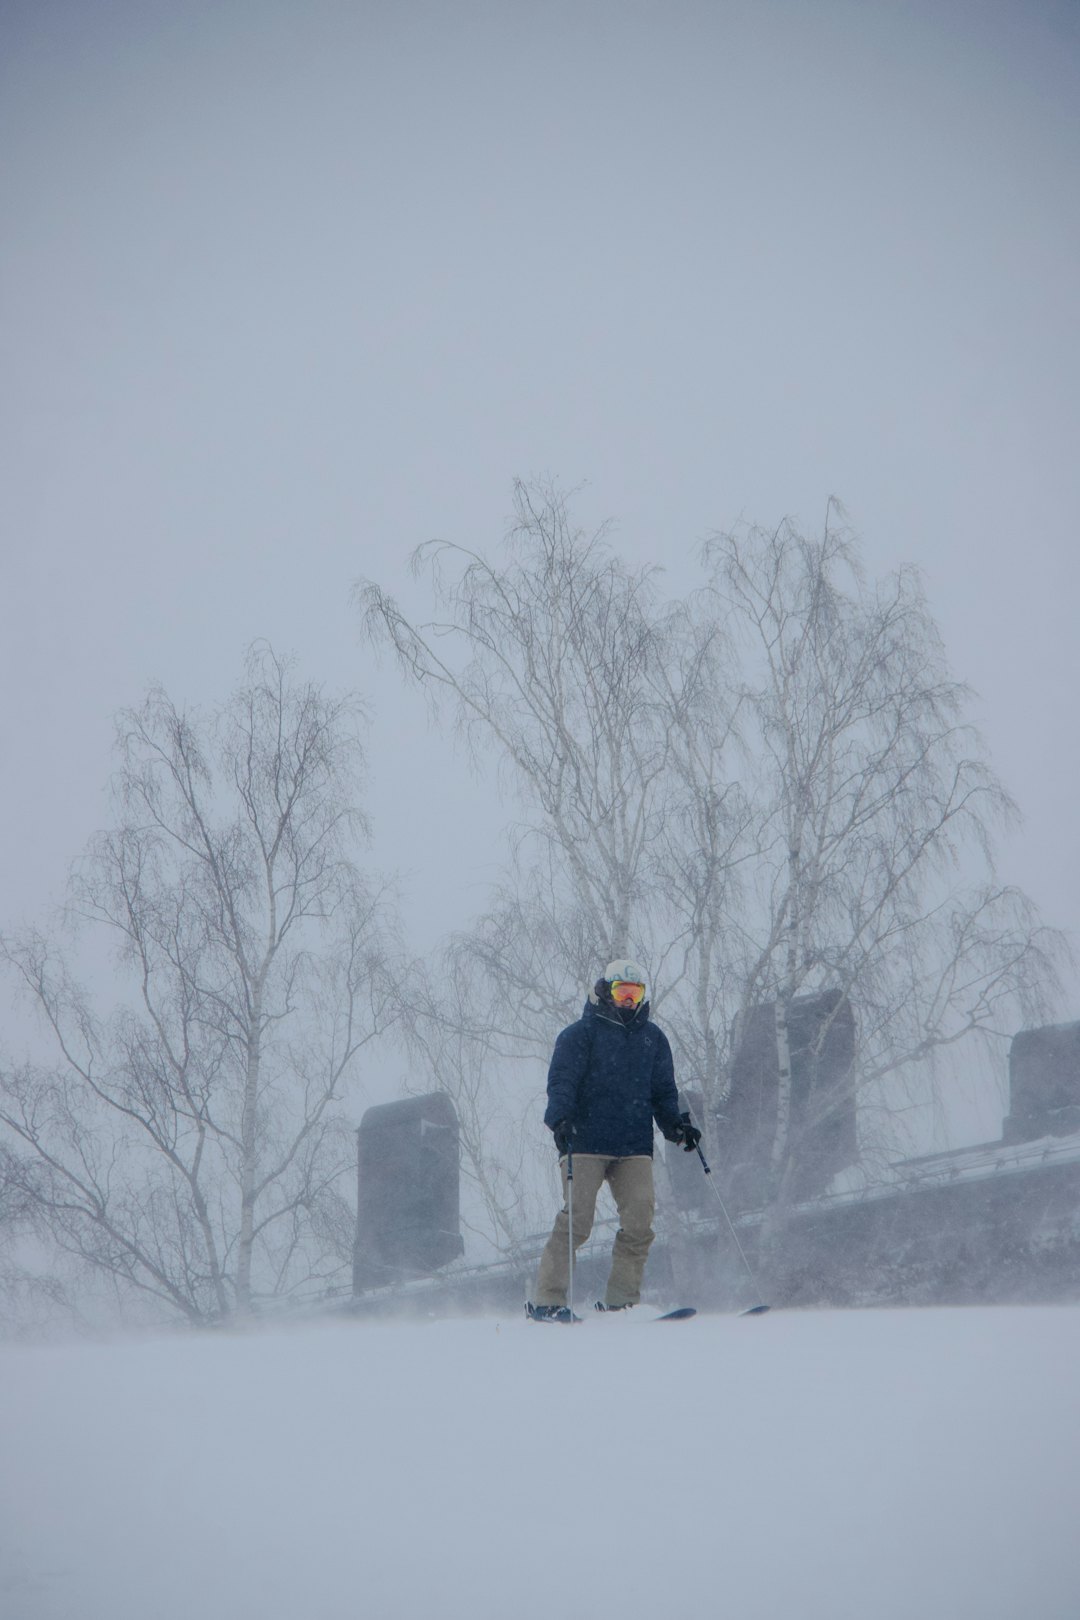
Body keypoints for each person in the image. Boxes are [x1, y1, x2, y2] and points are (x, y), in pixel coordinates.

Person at [526, 958, 701, 1322]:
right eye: (622, 991)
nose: (628, 1001)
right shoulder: (579, 1035)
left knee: (640, 1220)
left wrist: (676, 1126)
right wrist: (560, 1119)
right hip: (585, 1140)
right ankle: (546, 1300)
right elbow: (561, 1082)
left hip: (633, 1145)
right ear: (605, 991)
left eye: (634, 993)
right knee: (578, 1219)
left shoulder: (653, 1039)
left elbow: (663, 1092)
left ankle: (621, 1303)